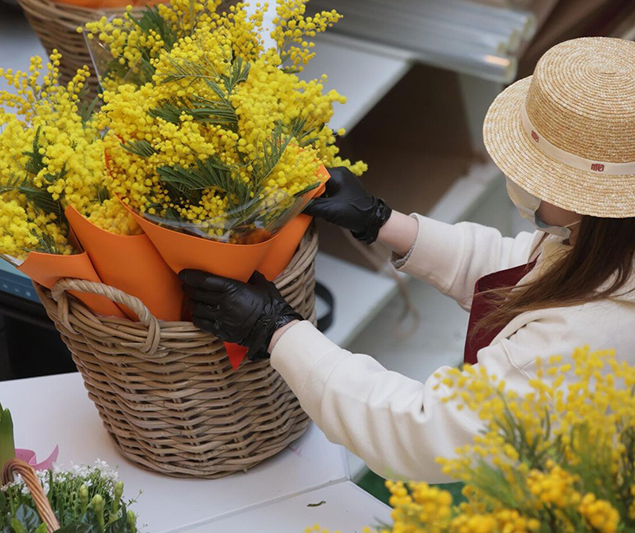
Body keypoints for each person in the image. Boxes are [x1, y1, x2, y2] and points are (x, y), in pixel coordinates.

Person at [179, 36, 635, 482]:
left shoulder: (573, 346)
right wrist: (382, 222)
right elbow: (524, 270)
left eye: (540, 178)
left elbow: (421, 429)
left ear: (595, 206)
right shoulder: (600, 245)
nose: (522, 182)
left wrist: (277, 331)